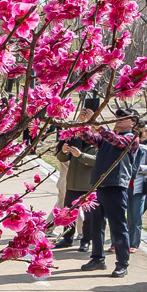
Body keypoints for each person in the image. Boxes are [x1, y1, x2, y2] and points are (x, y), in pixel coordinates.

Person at [72, 108, 141, 277]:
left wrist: (98, 126)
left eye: (124, 118)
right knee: (96, 225)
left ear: (133, 123)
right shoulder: (107, 137)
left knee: (118, 227)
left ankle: (122, 264)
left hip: (116, 186)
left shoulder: (131, 138)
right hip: (99, 185)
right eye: (118, 117)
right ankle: (97, 258)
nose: (118, 119)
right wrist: (84, 124)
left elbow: (116, 141)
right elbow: (90, 137)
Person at [52, 97, 101, 249]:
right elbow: (61, 157)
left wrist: (81, 155)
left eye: (90, 127)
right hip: (72, 184)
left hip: (88, 185)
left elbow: (96, 161)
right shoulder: (76, 139)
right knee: (68, 213)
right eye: (84, 128)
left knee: (89, 217)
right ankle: (67, 238)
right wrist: (65, 151)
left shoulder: (99, 141)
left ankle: (86, 241)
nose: (87, 131)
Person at [125, 133, 147, 250]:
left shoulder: (145, 149)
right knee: (119, 218)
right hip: (121, 187)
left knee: (135, 218)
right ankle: (116, 243)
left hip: (137, 188)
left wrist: (140, 168)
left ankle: (133, 243)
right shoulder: (120, 148)